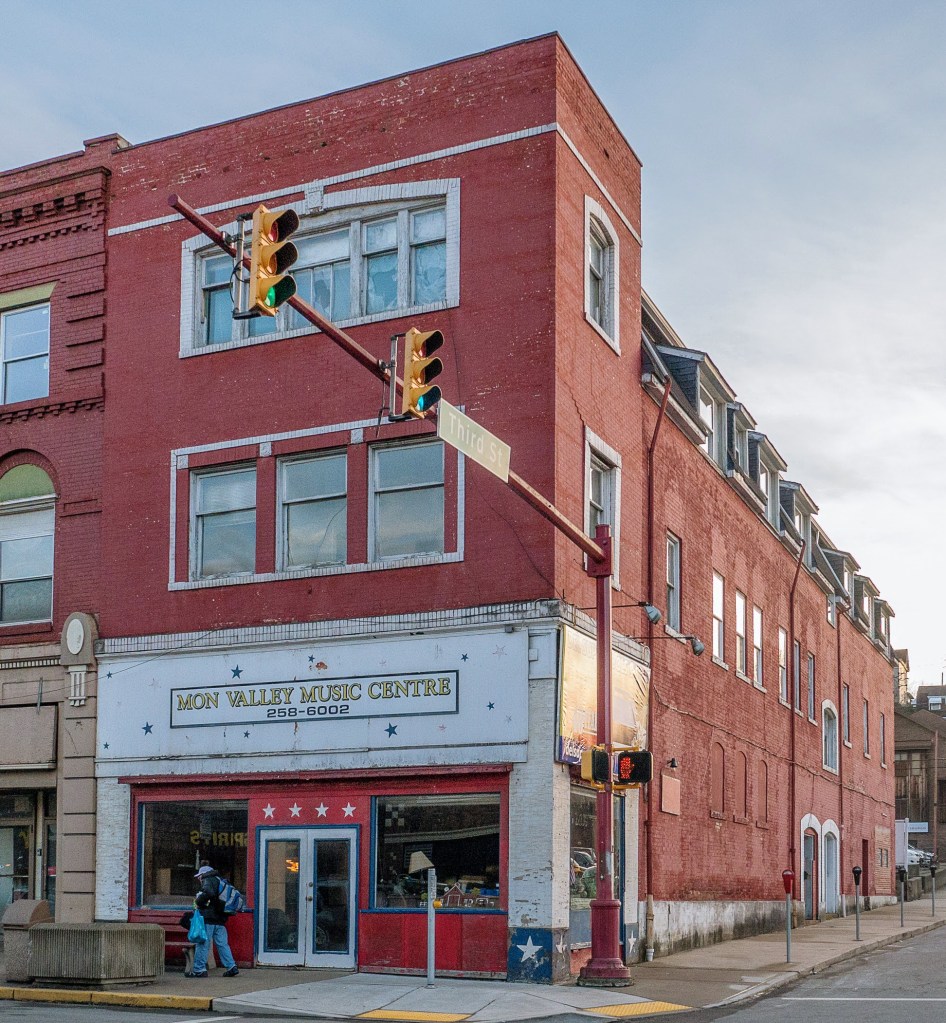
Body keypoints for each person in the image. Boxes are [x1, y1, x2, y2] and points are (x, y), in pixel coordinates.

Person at [185, 864, 239, 978]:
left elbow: (208, 893)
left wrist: (199, 902)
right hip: (221, 918)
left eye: (199, 876)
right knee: (223, 944)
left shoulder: (208, 879)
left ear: (203, 874)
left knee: (203, 943)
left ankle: (199, 969)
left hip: (209, 917)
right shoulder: (221, 881)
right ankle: (231, 966)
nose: (199, 879)